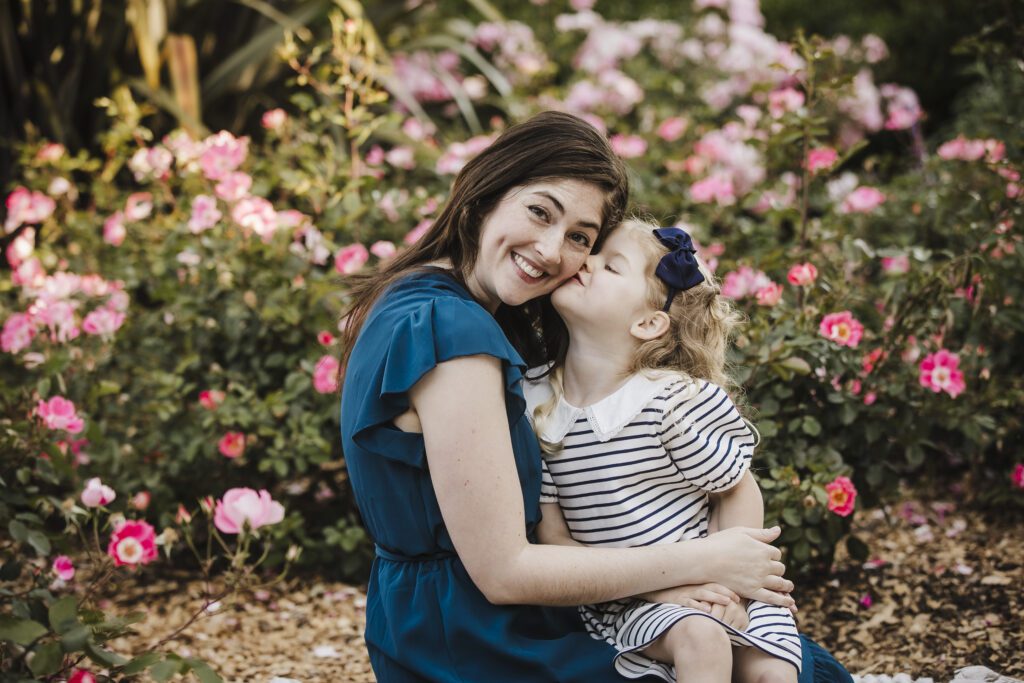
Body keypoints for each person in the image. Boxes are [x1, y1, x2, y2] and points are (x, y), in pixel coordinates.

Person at [339, 110, 853, 682]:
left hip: (464, 616)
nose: (552, 250)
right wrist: (706, 562)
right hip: (479, 636)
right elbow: (503, 571)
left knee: (771, 659)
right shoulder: (450, 331)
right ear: (485, 195)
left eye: (580, 238)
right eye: (540, 211)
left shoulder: (423, 299)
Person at [526, 218, 801, 683]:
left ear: (649, 322)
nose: (585, 261)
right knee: (700, 636)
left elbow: (734, 490)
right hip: (630, 599)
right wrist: (671, 592)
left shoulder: (667, 402)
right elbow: (554, 539)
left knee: (771, 671)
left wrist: (728, 585)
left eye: (610, 265)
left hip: (720, 582)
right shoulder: (539, 406)